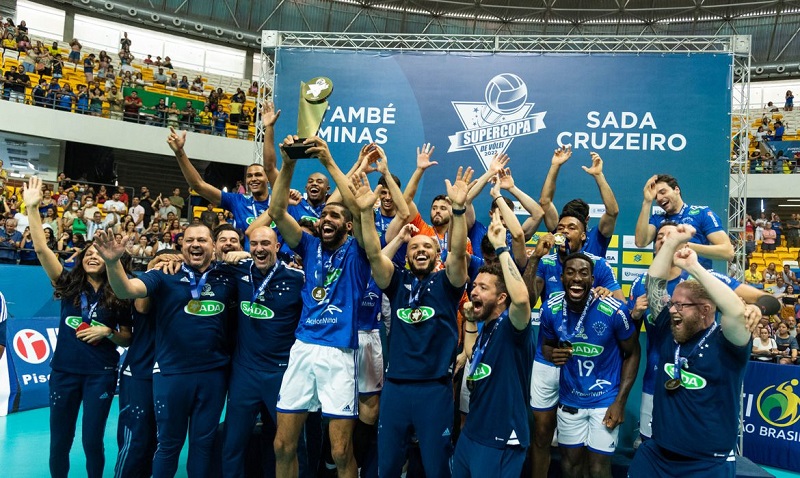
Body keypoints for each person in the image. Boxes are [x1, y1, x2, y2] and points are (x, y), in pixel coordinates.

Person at [354, 159, 471, 477]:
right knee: (388, 466)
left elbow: (458, 253)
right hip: (395, 390)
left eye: (427, 247)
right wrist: (366, 212)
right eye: (414, 246)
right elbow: (374, 255)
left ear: (437, 255)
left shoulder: (448, 284)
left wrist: (458, 211)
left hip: (434, 391)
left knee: (436, 468)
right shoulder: (396, 283)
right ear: (407, 254)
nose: (420, 250)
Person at [95, 222, 235, 478]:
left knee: (203, 446)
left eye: (202, 240)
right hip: (171, 374)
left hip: (213, 375)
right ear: (180, 246)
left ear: (213, 246)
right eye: (190, 240)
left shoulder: (226, 276)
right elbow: (126, 290)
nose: (196, 244)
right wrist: (113, 263)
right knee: (168, 446)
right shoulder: (164, 273)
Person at [269, 136, 370, 478]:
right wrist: (289, 163)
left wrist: (328, 161)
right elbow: (277, 212)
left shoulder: (358, 252)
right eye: (324, 214)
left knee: (341, 451)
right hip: (303, 350)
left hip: (339, 354)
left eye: (335, 215)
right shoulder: (309, 244)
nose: (327, 218)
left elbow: (358, 208)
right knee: (282, 445)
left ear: (348, 226)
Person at [22, 176, 132, 478]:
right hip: (65, 373)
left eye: (100, 254)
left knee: (92, 441)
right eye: (89, 254)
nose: (94, 256)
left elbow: (129, 337)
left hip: (101, 375)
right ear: (81, 260)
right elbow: (44, 251)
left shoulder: (120, 293)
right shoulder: (68, 286)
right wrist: (33, 208)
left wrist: (107, 333)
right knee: (59, 442)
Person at [628, 221, 770, 445]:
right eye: (660, 237)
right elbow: (649, 294)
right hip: (658, 377)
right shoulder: (642, 285)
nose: (664, 240)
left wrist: (755, 309)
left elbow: (761, 300)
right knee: (652, 444)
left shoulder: (707, 280)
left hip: (702, 377)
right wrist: (634, 315)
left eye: (671, 236)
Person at [449, 210, 534, 477]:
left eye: (483, 288)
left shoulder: (513, 326)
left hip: (501, 438)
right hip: (473, 432)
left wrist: (500, 247)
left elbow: (521, 300)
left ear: (501, 298)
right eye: (474, 286)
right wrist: (471, 320)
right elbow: (473, 353)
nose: (474, 291)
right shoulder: (488, 327)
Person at [539, 252, 638, 478]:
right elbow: (545, 344)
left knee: (598, 468)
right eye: (571, 273)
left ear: (592, 280)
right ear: (562, 278)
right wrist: (552, 354)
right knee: (570, 467)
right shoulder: (550, 308)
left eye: (584, 274)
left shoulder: (613, 309)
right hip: (570, 399)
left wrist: (619, 402)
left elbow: (632, 353)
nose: (576, 278)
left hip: (605, 401)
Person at [221, 225, 305, 477]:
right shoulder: (238, 271)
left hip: (281, 375)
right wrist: (166, 258)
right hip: (244, 374)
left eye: (265, 244)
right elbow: (204, 260)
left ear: (277, 247)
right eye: (254, 244)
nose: (259, 249)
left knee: (288, 446)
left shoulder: (296, 279)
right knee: (232, 445)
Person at [170, 101, 280, 247]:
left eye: (258, 175)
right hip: (243, 263)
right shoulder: (238, 201)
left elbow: (270, 165)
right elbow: (199, 185)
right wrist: (179, 153)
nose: (253, 178)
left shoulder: (280, 202)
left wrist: (269, 128)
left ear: (267, 178)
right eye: (249, 175)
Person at [635, 174, 733, 269]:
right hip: (665, 280)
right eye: (656, 197)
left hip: (694, 281)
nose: (659, 198)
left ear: (676, 190)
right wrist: (647, 201)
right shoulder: (657, 218)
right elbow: (640, 242)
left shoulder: (702, 213)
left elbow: (727, 252)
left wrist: (683, 246)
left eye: (663, 192)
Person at [540, 146, 620, 257]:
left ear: (586, 221)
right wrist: (555, 166)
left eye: (572, 227)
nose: (565, 231)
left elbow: (613, 212)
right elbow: (545, 202)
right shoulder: (559, 232)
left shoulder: (597, 237)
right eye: (562, 226)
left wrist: (598, 175)